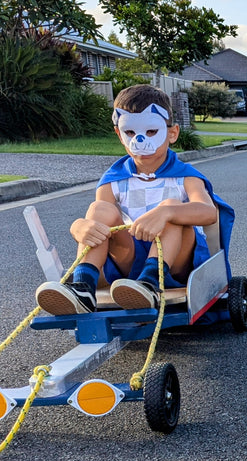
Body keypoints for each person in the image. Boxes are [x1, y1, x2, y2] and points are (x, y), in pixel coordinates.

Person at [35, 84, 233, 315]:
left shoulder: (185, 177)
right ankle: (83, 287)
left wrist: (167, 212)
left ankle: (150, 283)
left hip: (174, 263)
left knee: (171, 208)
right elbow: (101, 220)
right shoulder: (113, 180)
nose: (140, 140)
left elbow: (208, 213)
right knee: (99, 209)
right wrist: (79, 226)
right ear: (119, 134)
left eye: (151, 132)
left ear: (172, 133)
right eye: (130, 133)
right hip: (128, 264)